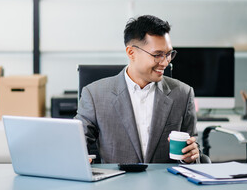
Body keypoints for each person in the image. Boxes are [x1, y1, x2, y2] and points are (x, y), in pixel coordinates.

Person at [75, 15, 199, 163]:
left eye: (168, 54)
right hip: (116, 184)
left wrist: (190, 157)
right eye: (158, 55)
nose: (165, 62)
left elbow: (194, 152)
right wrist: (79, 159)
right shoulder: (95, 95)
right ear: (131, 52)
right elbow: (76, 144)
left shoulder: (183, 94)